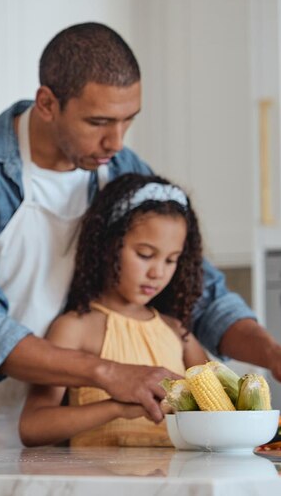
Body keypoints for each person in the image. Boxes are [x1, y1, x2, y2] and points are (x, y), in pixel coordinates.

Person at [0, 22, 281, 451]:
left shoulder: (121, 169)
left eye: (129, 120)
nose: (116, 141)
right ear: (47, 104)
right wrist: (109, 373)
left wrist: (275, 356)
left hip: (66, 430)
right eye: (99, 122)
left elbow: (207, 297)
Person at [20, 173, 210, 447]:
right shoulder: (76, 328)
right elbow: (32, 427)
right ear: (107, 244)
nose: (158, 272)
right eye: (145, 255)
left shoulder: (176, 331)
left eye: (171, 260)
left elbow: (218, 409)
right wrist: (116, 407)